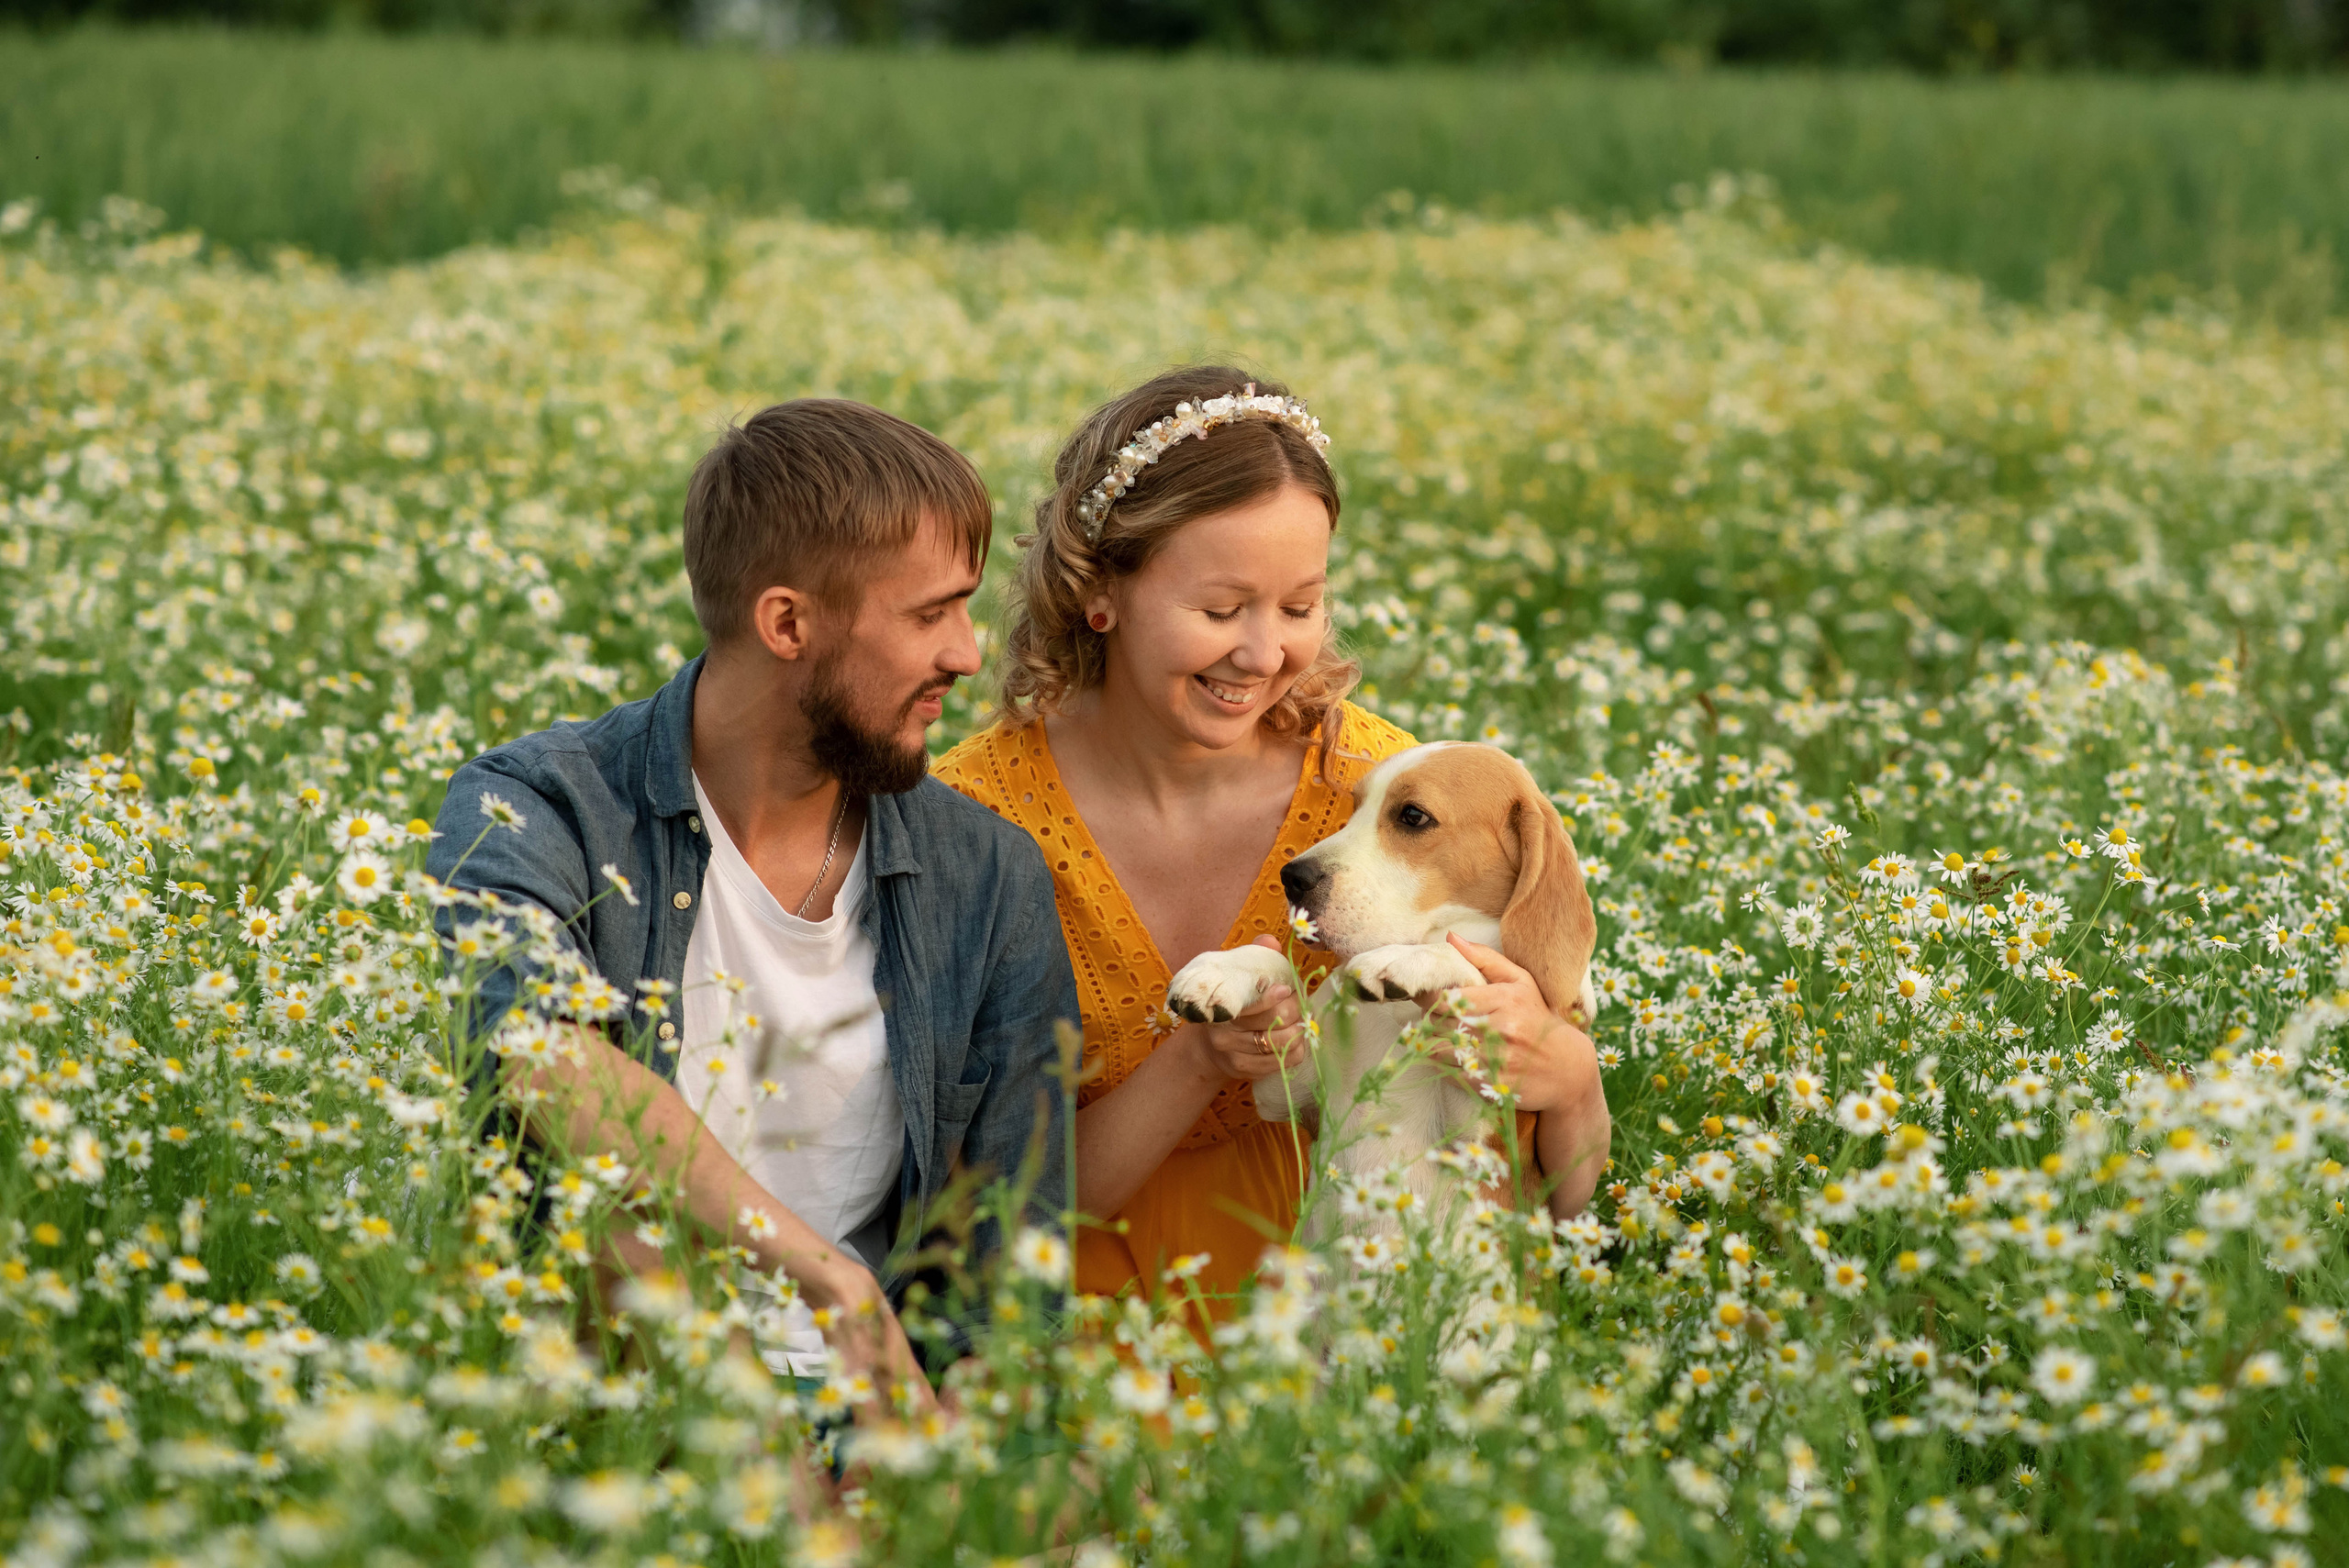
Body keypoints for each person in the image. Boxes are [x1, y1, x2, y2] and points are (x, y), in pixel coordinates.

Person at [429, 399, 1076, 1408]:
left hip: (884, 1417)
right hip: (621, 1402)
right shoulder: (539, 807)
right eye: (929, 613)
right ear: (787, 622)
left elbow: (1015, 1253)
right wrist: (831, 1279)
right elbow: (535, 1046)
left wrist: (940, 1470)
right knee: (618, 1221)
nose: (964, 653)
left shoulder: (986, 875)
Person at [935, 367, 1609, 1311]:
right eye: (1219, 610)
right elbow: (989, 1209)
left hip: (1366, 1300)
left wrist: (1571, 1078)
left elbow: (1526, 1164)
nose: (1263, 653)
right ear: (1100, 591)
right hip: (1081, 1312)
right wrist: (1199, 1058)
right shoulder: (970, 820)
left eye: (1299, 607)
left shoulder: (1383, 792)